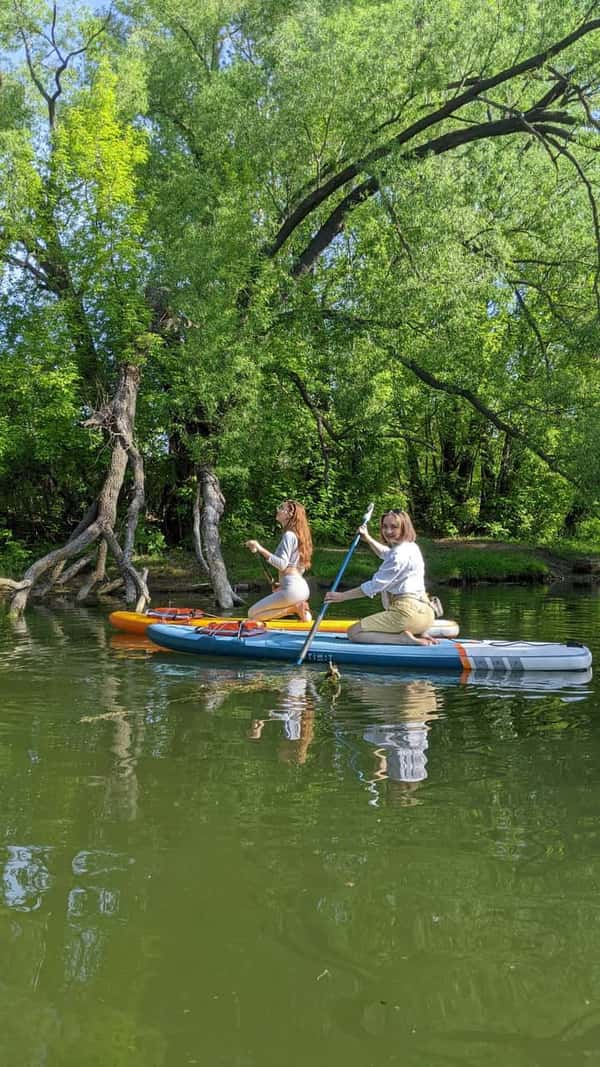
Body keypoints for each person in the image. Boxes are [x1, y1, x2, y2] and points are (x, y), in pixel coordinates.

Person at [324, 509, 437, 645]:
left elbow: (375, 586)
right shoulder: (411, 547)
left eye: (394, 527)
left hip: (407, 614)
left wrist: (341, 596)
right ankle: (416, 632)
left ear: (404, 527)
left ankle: (401, 639)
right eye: (385, 526)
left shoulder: (398, 555)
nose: (388, 531)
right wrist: (368, 538)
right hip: (427, 615)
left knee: (353, 633)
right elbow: (387, 554)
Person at [245, 500, 313, 622]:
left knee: (252, 614)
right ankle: (301, 611)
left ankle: (294, 609)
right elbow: (300, 569)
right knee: (306, 620)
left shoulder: (289, 535)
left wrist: (259, 548)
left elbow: (282, 564)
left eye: (281, 508)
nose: (278, 510)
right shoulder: (298, 536)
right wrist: (283, 585)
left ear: (290, 514)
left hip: (292, 589)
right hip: (301, 589)